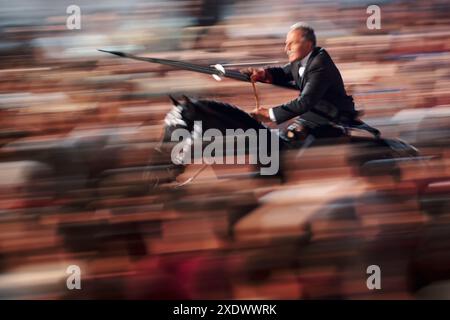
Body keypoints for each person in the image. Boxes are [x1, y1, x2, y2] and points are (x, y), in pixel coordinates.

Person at [246, 22, 358, 140]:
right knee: (281, 132)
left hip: (332, 117)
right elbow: (284, 72)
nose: (286, 49)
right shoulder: (302, 59)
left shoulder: (320, 65)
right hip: (314, 113)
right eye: (286, 44)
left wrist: (270, 114)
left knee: (288, 139)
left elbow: (305, 102)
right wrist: (263, 73)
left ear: (308, 45)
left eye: (292, 44)